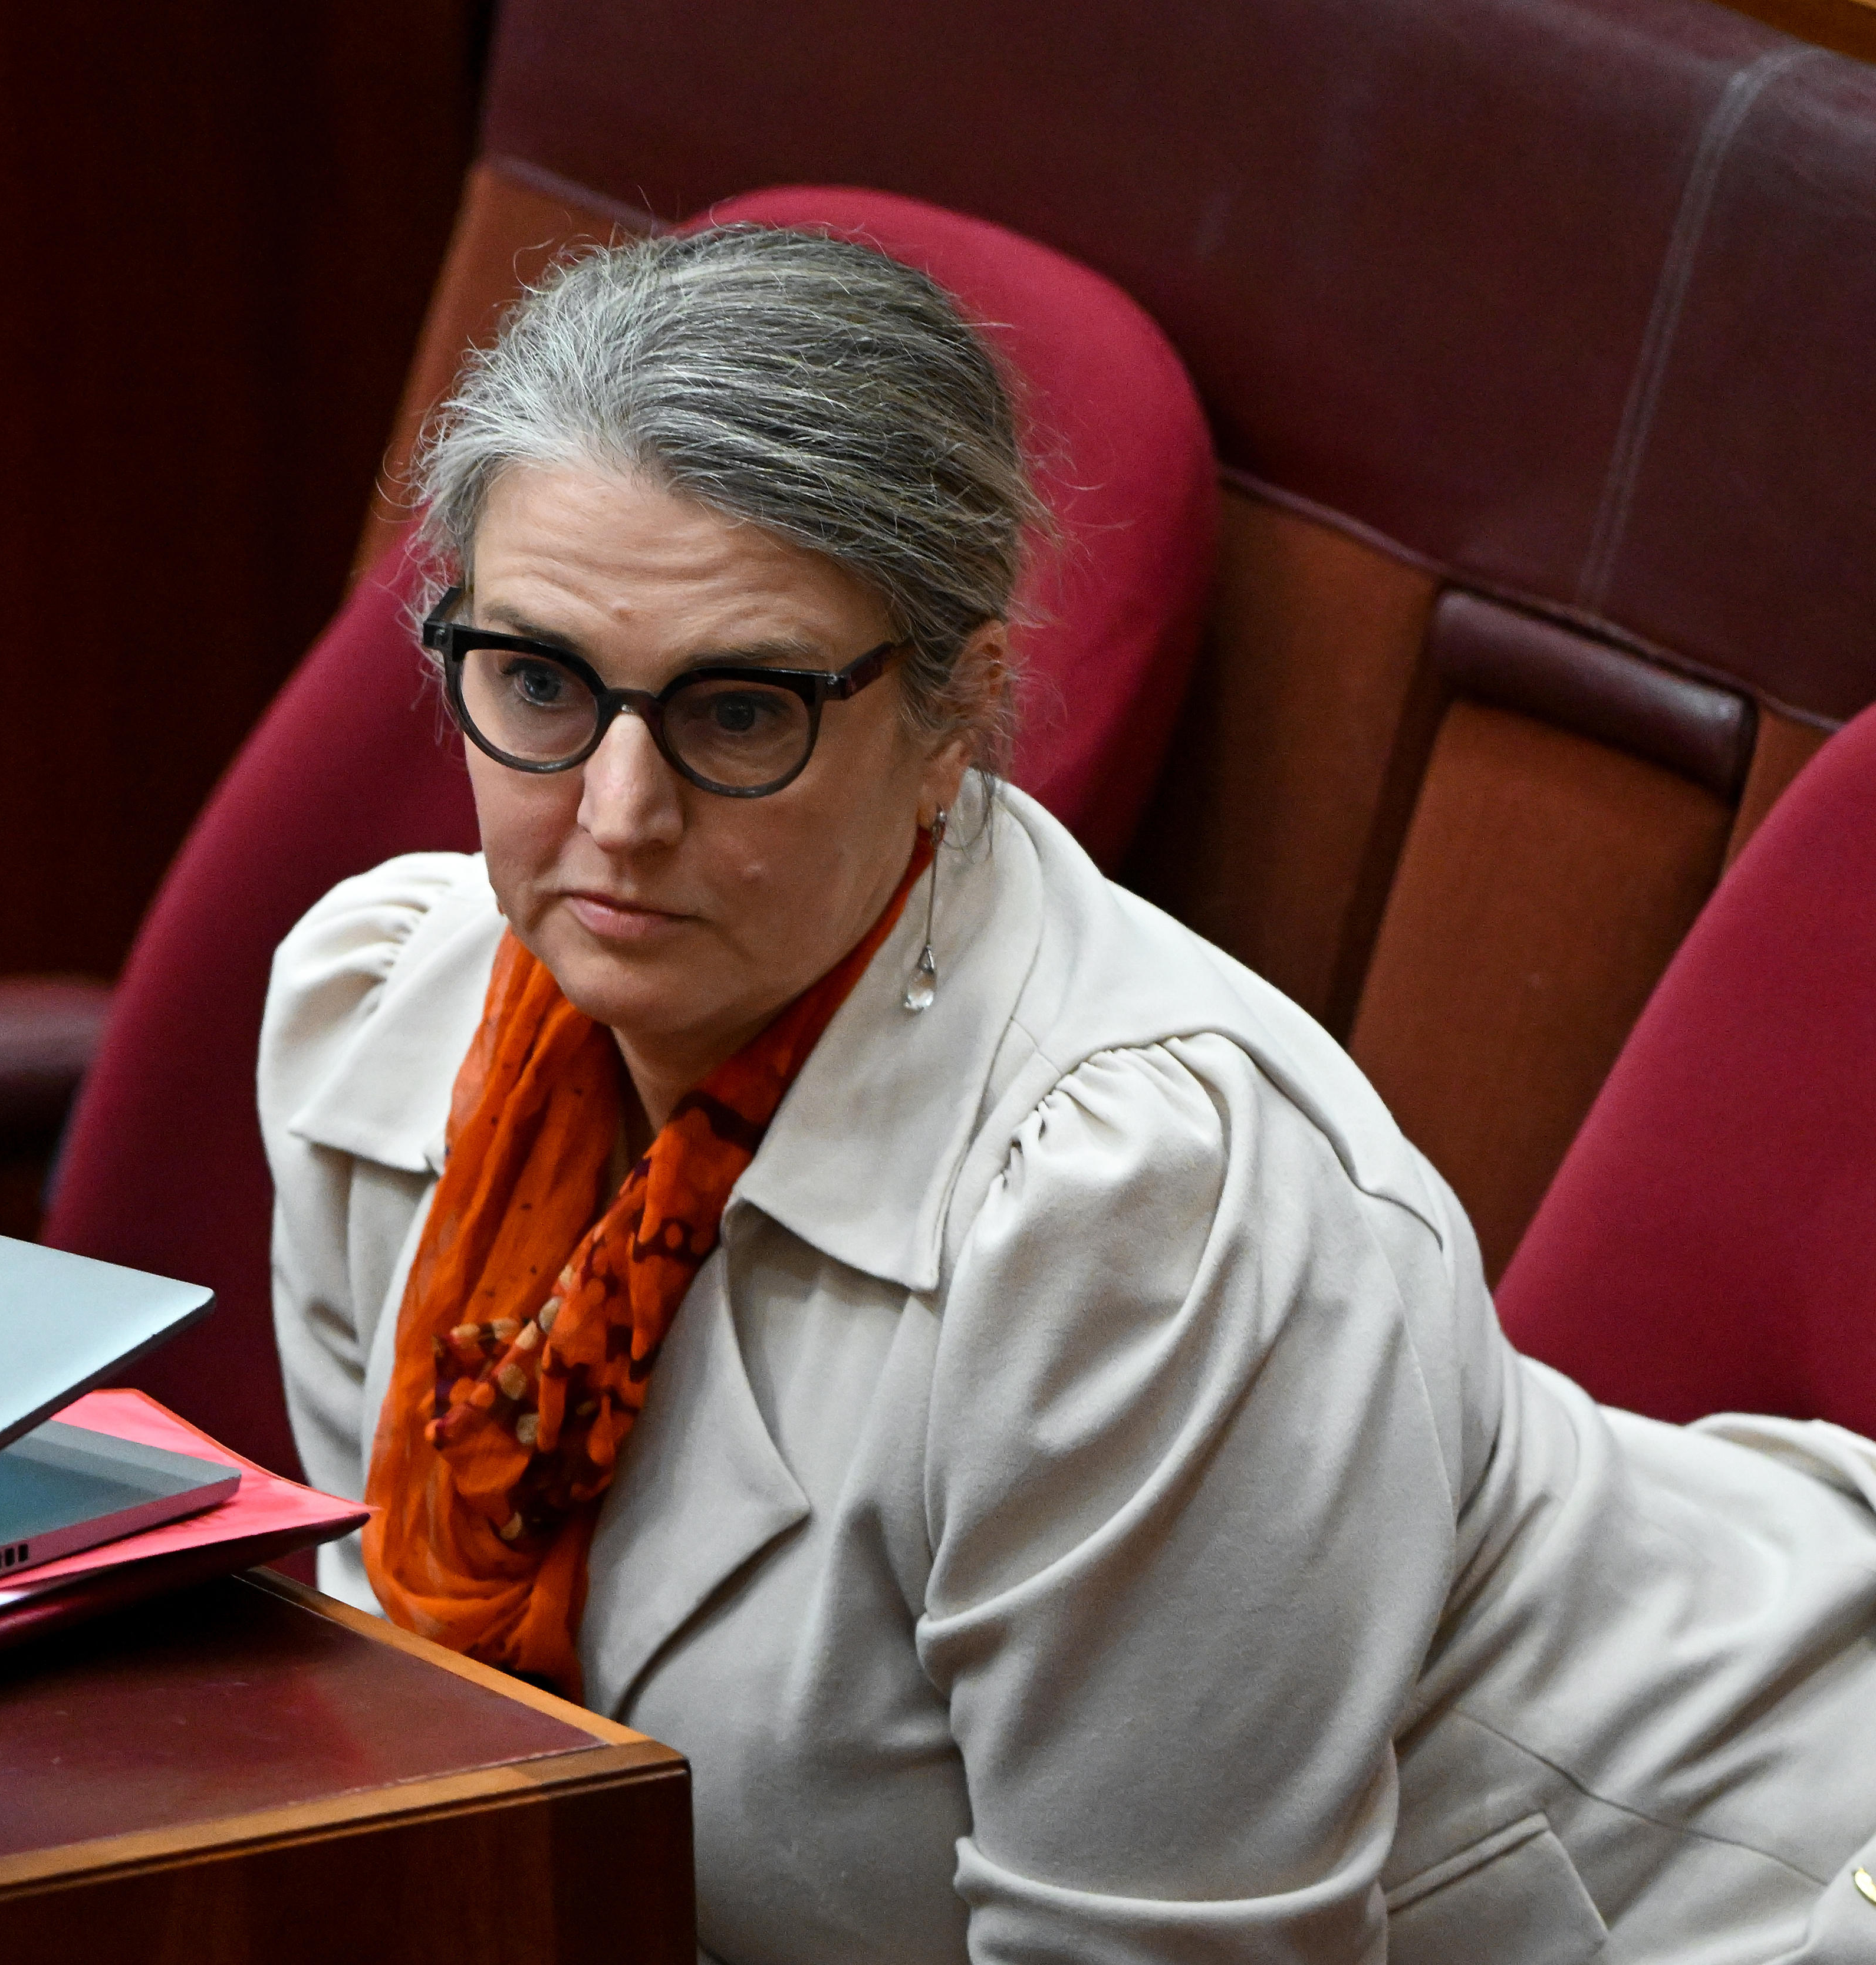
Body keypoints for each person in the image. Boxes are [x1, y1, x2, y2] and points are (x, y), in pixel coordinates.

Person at [258, 225, 1876, 1965]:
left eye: (740, 714)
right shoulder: (379, 1021)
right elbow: (435, 1768)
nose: (621, 813)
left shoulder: (1139, 1216)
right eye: (541, 684)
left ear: (952, 713)